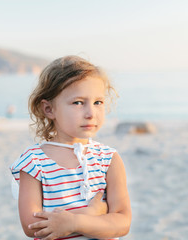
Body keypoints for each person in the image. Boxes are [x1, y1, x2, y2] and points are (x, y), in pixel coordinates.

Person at [10, 56, 131, 240]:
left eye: (98, 102)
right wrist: (91, 214)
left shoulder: (108, 159)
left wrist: (74, 223)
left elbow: (122, 223)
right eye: (78, 103)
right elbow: (32, 226)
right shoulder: (33, 162)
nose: (91, 113)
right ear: (49, 109)